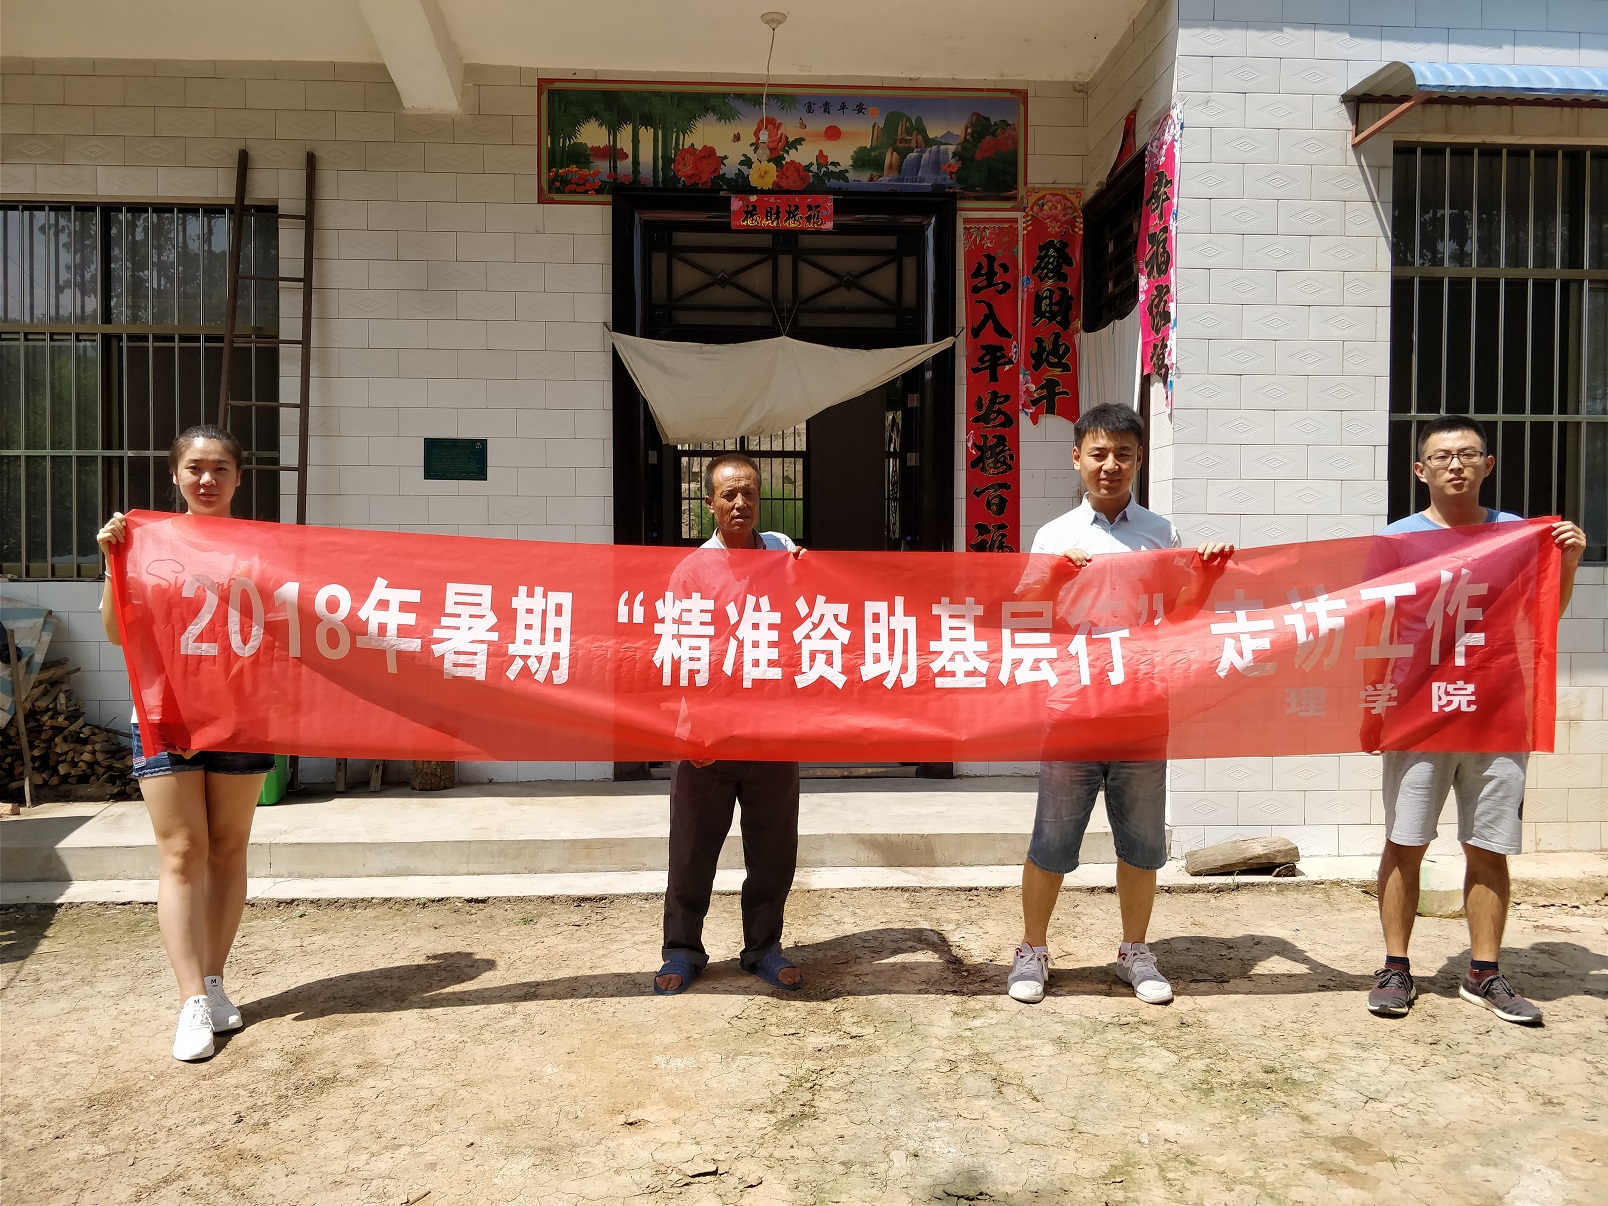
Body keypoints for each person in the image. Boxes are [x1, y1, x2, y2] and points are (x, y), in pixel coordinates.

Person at [1007, 402, 1232, 1006]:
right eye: (1099, 453)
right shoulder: (1054, 535)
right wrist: (1056, 575)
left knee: (1142, 843)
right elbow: (1024, 611)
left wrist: (1207, 574)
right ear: (1077, 458)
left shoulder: (1161, 532)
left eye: (1123, 455)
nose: (1111, 465)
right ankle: (1032, 950)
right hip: (1073, 708)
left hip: (1142, 708)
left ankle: (1135, 950)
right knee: (1052, 841)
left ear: (1139, 460)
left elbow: (1182, 614)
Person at [1366, 416, 1586, 1025]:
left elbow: (1543, 617)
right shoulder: (1396, 541)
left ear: (1488, 465)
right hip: (1419, 715)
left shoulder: (1516, 535)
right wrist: (1373, 710)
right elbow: (1377, 628)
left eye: (1467, 454)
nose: (1455, 464)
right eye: (1442, 457)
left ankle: (1484, 972)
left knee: (1489, 847)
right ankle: (1395, 966)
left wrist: (1567, 563)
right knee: (1405, 841)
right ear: (1420, 471)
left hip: (1496, 712)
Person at [98, 425, 276, 1061]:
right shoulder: (147, 544)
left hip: (242, 714)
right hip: (165, 712)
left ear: (238, 478)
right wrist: (114, 563)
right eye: (195, 467)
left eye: (220, 468)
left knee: (227, 847)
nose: (207, 479)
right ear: (175, 476)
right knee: (182, 851)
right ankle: (191, 1001)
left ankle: (214, 979)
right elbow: (118, 632)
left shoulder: (265, 548)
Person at [654, 452, 806, 996]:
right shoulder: (692, 571)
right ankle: (682, 950)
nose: (740, 503)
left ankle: (764, 947)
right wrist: (690, 727)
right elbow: (677, 655)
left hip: (772, 732)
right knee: (692, 851)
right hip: (708, 736)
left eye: (749, 493)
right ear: (709, 504)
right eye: (728, 495)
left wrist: (810, 568)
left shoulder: (783, 552)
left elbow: (816, 611)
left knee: (773, 851)